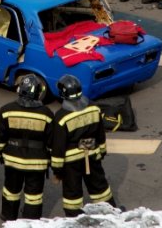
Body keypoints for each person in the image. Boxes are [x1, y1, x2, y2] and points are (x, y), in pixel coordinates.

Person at [50, 74, 118, 217]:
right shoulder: (94, 108)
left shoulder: (62, 116)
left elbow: (58, 145)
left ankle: (74, 219)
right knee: (100, 187)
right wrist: (101, 152)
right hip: (92, 154)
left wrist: (57, 168)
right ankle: (110, 214)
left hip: (71, 161)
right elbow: (100, 134)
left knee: (72, 193)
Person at [0, 74, 53, 221]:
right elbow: (51, 142)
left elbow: (0, 138)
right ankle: (31, 220)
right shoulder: (47, 114)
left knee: (11, 191)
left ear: (20, 90)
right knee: (34, 196)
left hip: (12, 160)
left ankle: (8, 217)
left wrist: (1, 152)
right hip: (37, 163)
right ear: (38, 93)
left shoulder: (6, 110)